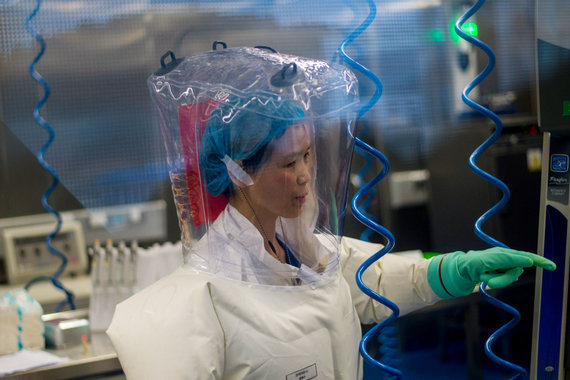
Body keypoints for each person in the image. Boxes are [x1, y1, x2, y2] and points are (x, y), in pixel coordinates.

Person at [107, 93, 555, 379]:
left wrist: (456, 270)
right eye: (287, 164)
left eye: (307, 156)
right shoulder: (204, 290)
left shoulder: (303, 246)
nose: (304, 176)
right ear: (238, 170)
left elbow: (374, 280)